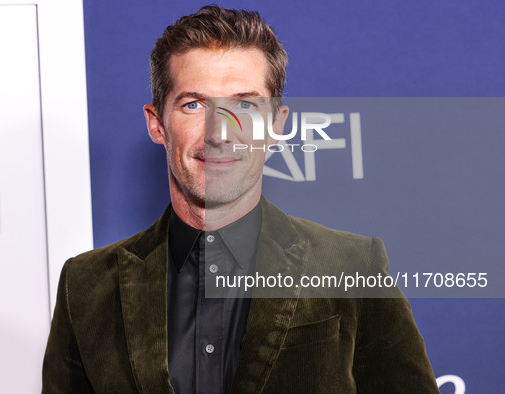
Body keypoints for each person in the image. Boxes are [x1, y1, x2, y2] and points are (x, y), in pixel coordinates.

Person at [42, 5, 439, 393]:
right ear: (157, 124)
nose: (219, 133)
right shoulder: (86, 285)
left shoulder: (351, 266)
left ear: (277, 125)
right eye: (193, 104)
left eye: (244, 104)